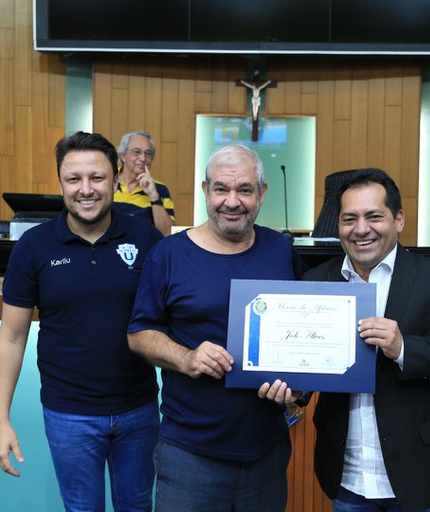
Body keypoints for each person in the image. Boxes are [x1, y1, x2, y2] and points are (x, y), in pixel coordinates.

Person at [126, 144, 307, 512]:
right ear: (206, 190)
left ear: (262, 193)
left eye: (245, 190)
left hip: (266, 451)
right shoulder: (169, 254)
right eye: (221, 189)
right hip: (190, 453)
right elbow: (139, 334)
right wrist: (187, 358)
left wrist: (300, 388)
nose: (232, 201)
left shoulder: (281, 249)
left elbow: (305, 326)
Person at [0, 131, 163, 512]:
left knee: (138, 506)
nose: (86, 189)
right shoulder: (33, 247)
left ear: (115, 181)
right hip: (68, 414)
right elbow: (11, 337)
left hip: (139, 408)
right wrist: (0, 420)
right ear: (61, 183)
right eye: (74, 179)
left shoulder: (146, 238)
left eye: (97, 178)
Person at [304, 169, 430, 512]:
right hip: (348, 479)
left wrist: (404, 348)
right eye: (349, 219)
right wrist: (294, 390)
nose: (361, 229)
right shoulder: (316, 280)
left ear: (399, 220)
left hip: (421, 474)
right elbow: (307, 362)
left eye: (374, 216)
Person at [114, 130, 176, 236]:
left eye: (148, 154)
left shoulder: (160, 189)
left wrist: (154, 197)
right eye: (136, 152)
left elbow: (168, 234)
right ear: (123, 156)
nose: (143, 159)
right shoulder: (108, 183)